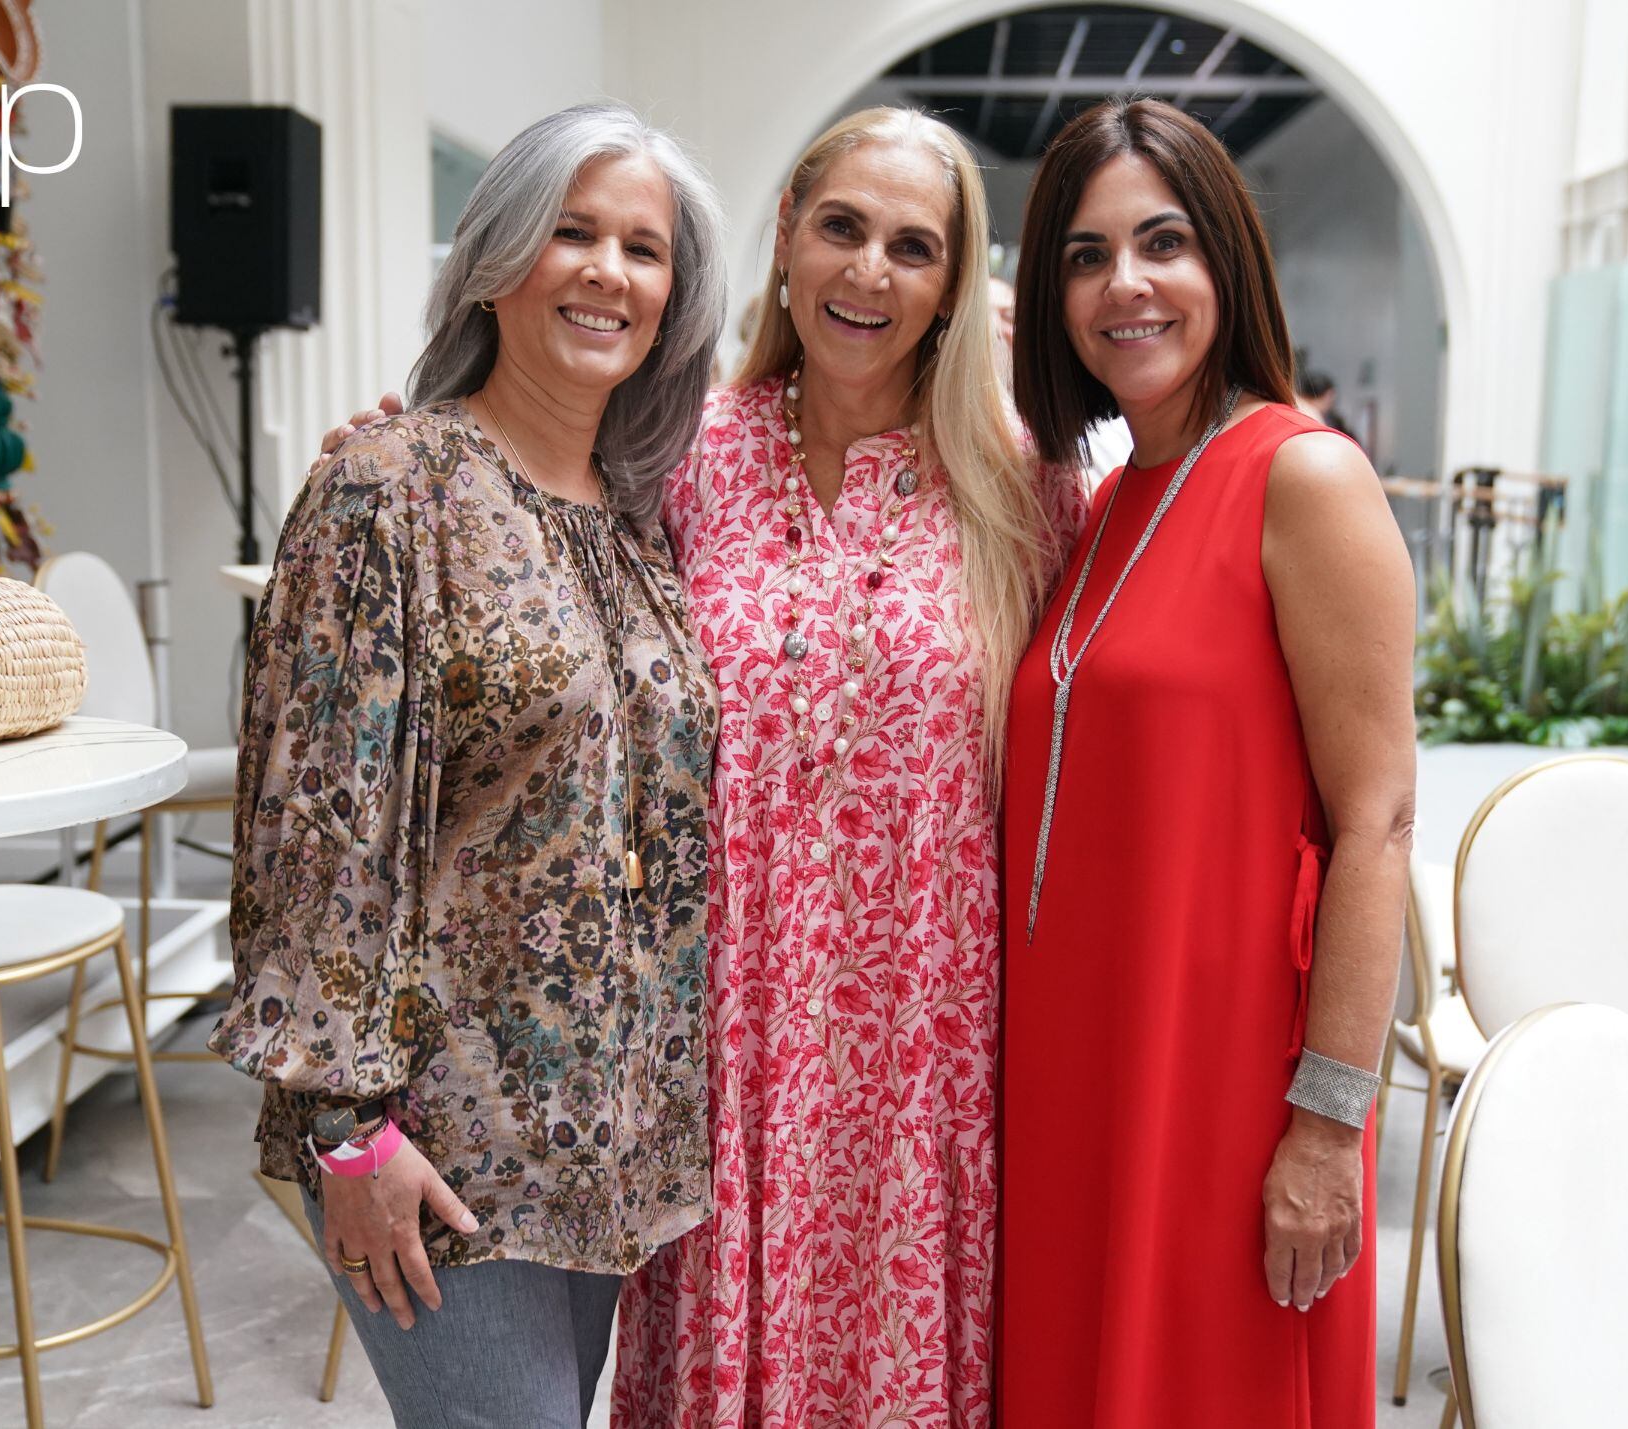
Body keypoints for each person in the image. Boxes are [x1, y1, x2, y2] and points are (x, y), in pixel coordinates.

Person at [315, 105, 1083, 1429]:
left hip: (920, 1077)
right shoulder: (670, 454)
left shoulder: (1023, 490)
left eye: (915, 246)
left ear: (959, 283)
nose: (869, 273)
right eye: (842, 227)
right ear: (786, 231)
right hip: (699, 1062)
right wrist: (398, 459)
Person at [209, 103, 728, 1429]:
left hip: (610, 1142)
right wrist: (348, 1132)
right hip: (434, 1135)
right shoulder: (392, 486)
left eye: (643, 248)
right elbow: (311, 829)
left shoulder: (640, 521)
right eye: (572, 232)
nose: (609, 270)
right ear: (498, 256)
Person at [1002, 97, 1415, 1427]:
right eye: (1084, 254)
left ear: (1226, 261)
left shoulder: (1304, 479)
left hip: (1224, 1091)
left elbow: (1381, 823)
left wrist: (1329, 1124)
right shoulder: (1111, 496)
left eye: (1161, 242)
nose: (1124, 284)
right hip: (1080, 1080)